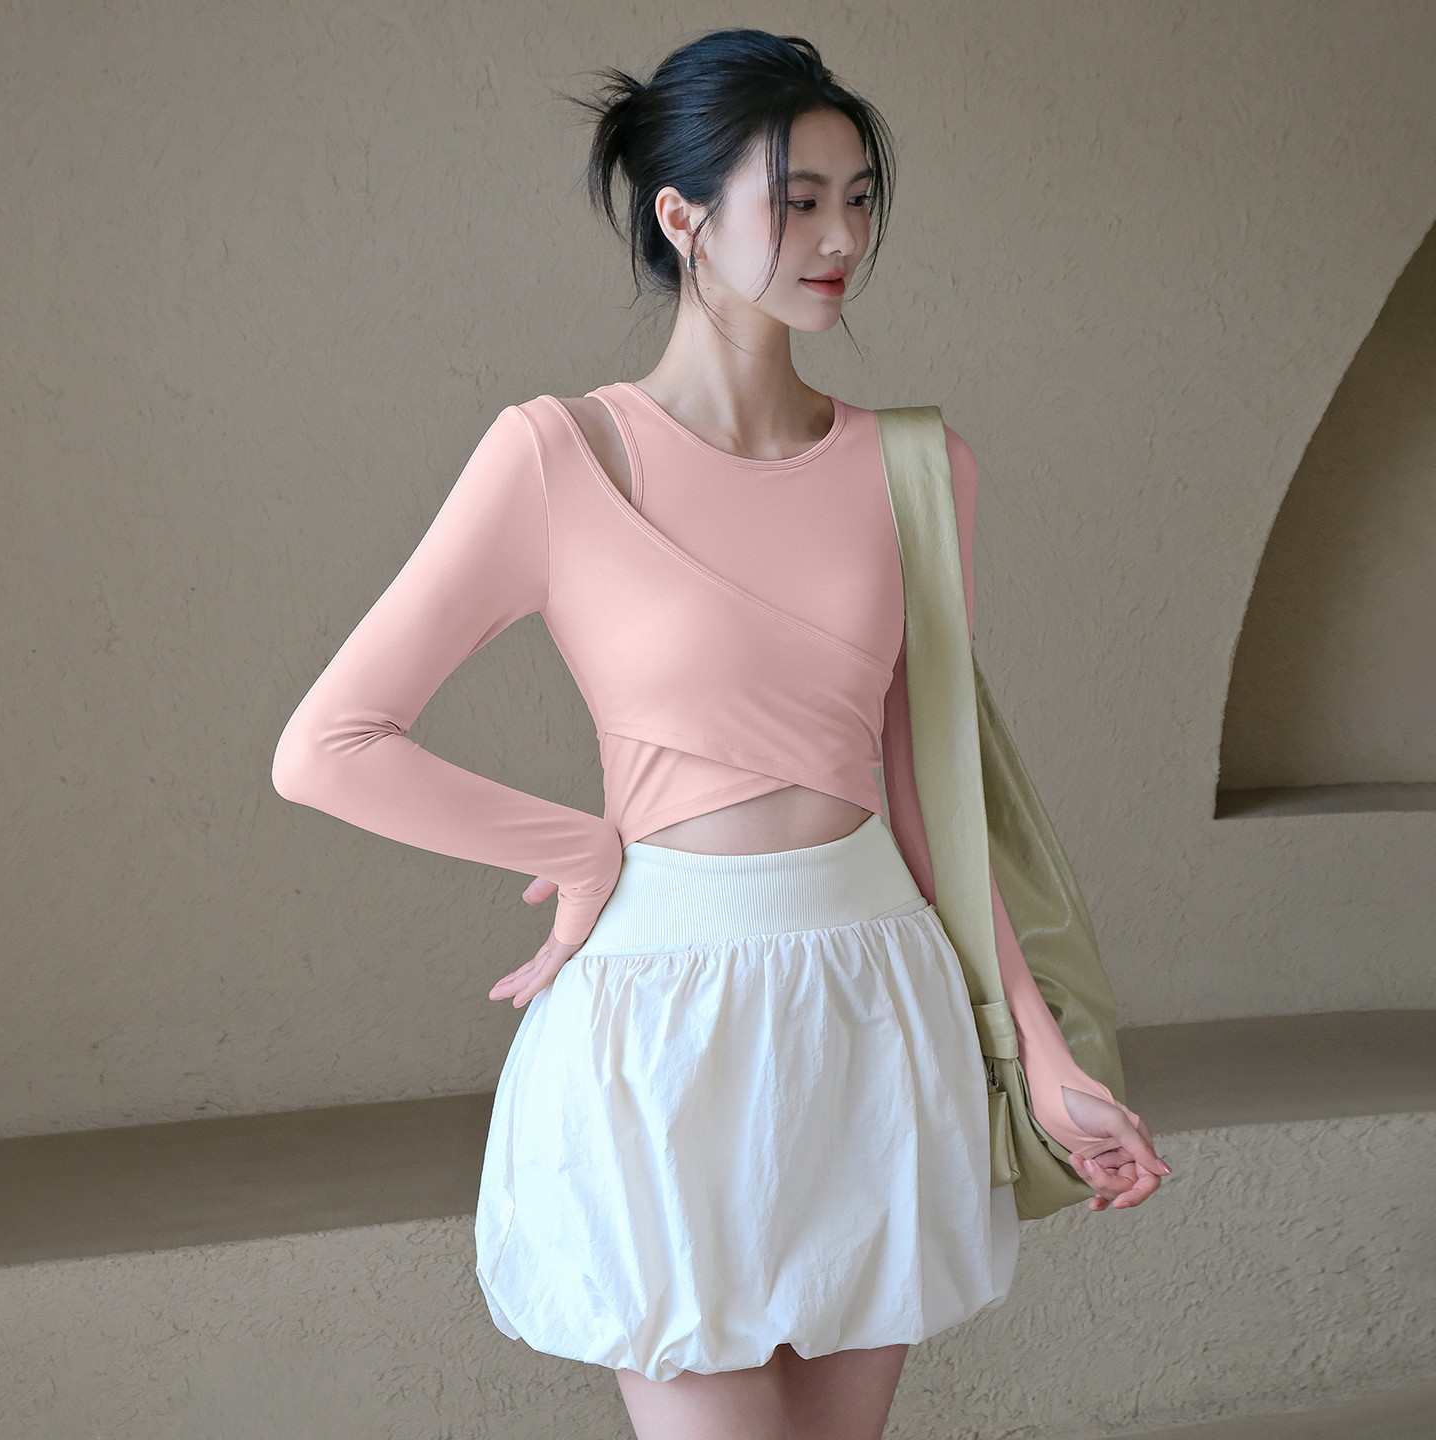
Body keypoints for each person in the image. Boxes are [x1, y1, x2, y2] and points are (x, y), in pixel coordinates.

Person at [271, 28, 1169, 1440]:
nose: (841, 238)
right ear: (681, 216)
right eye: (798, 201)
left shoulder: (920, 469)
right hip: (662, 1031)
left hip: (878, 1007)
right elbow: (327, 743)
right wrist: (582, 851)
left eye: (859, 199)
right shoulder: (558, 456)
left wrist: (1046, 1058)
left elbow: (927, 794)